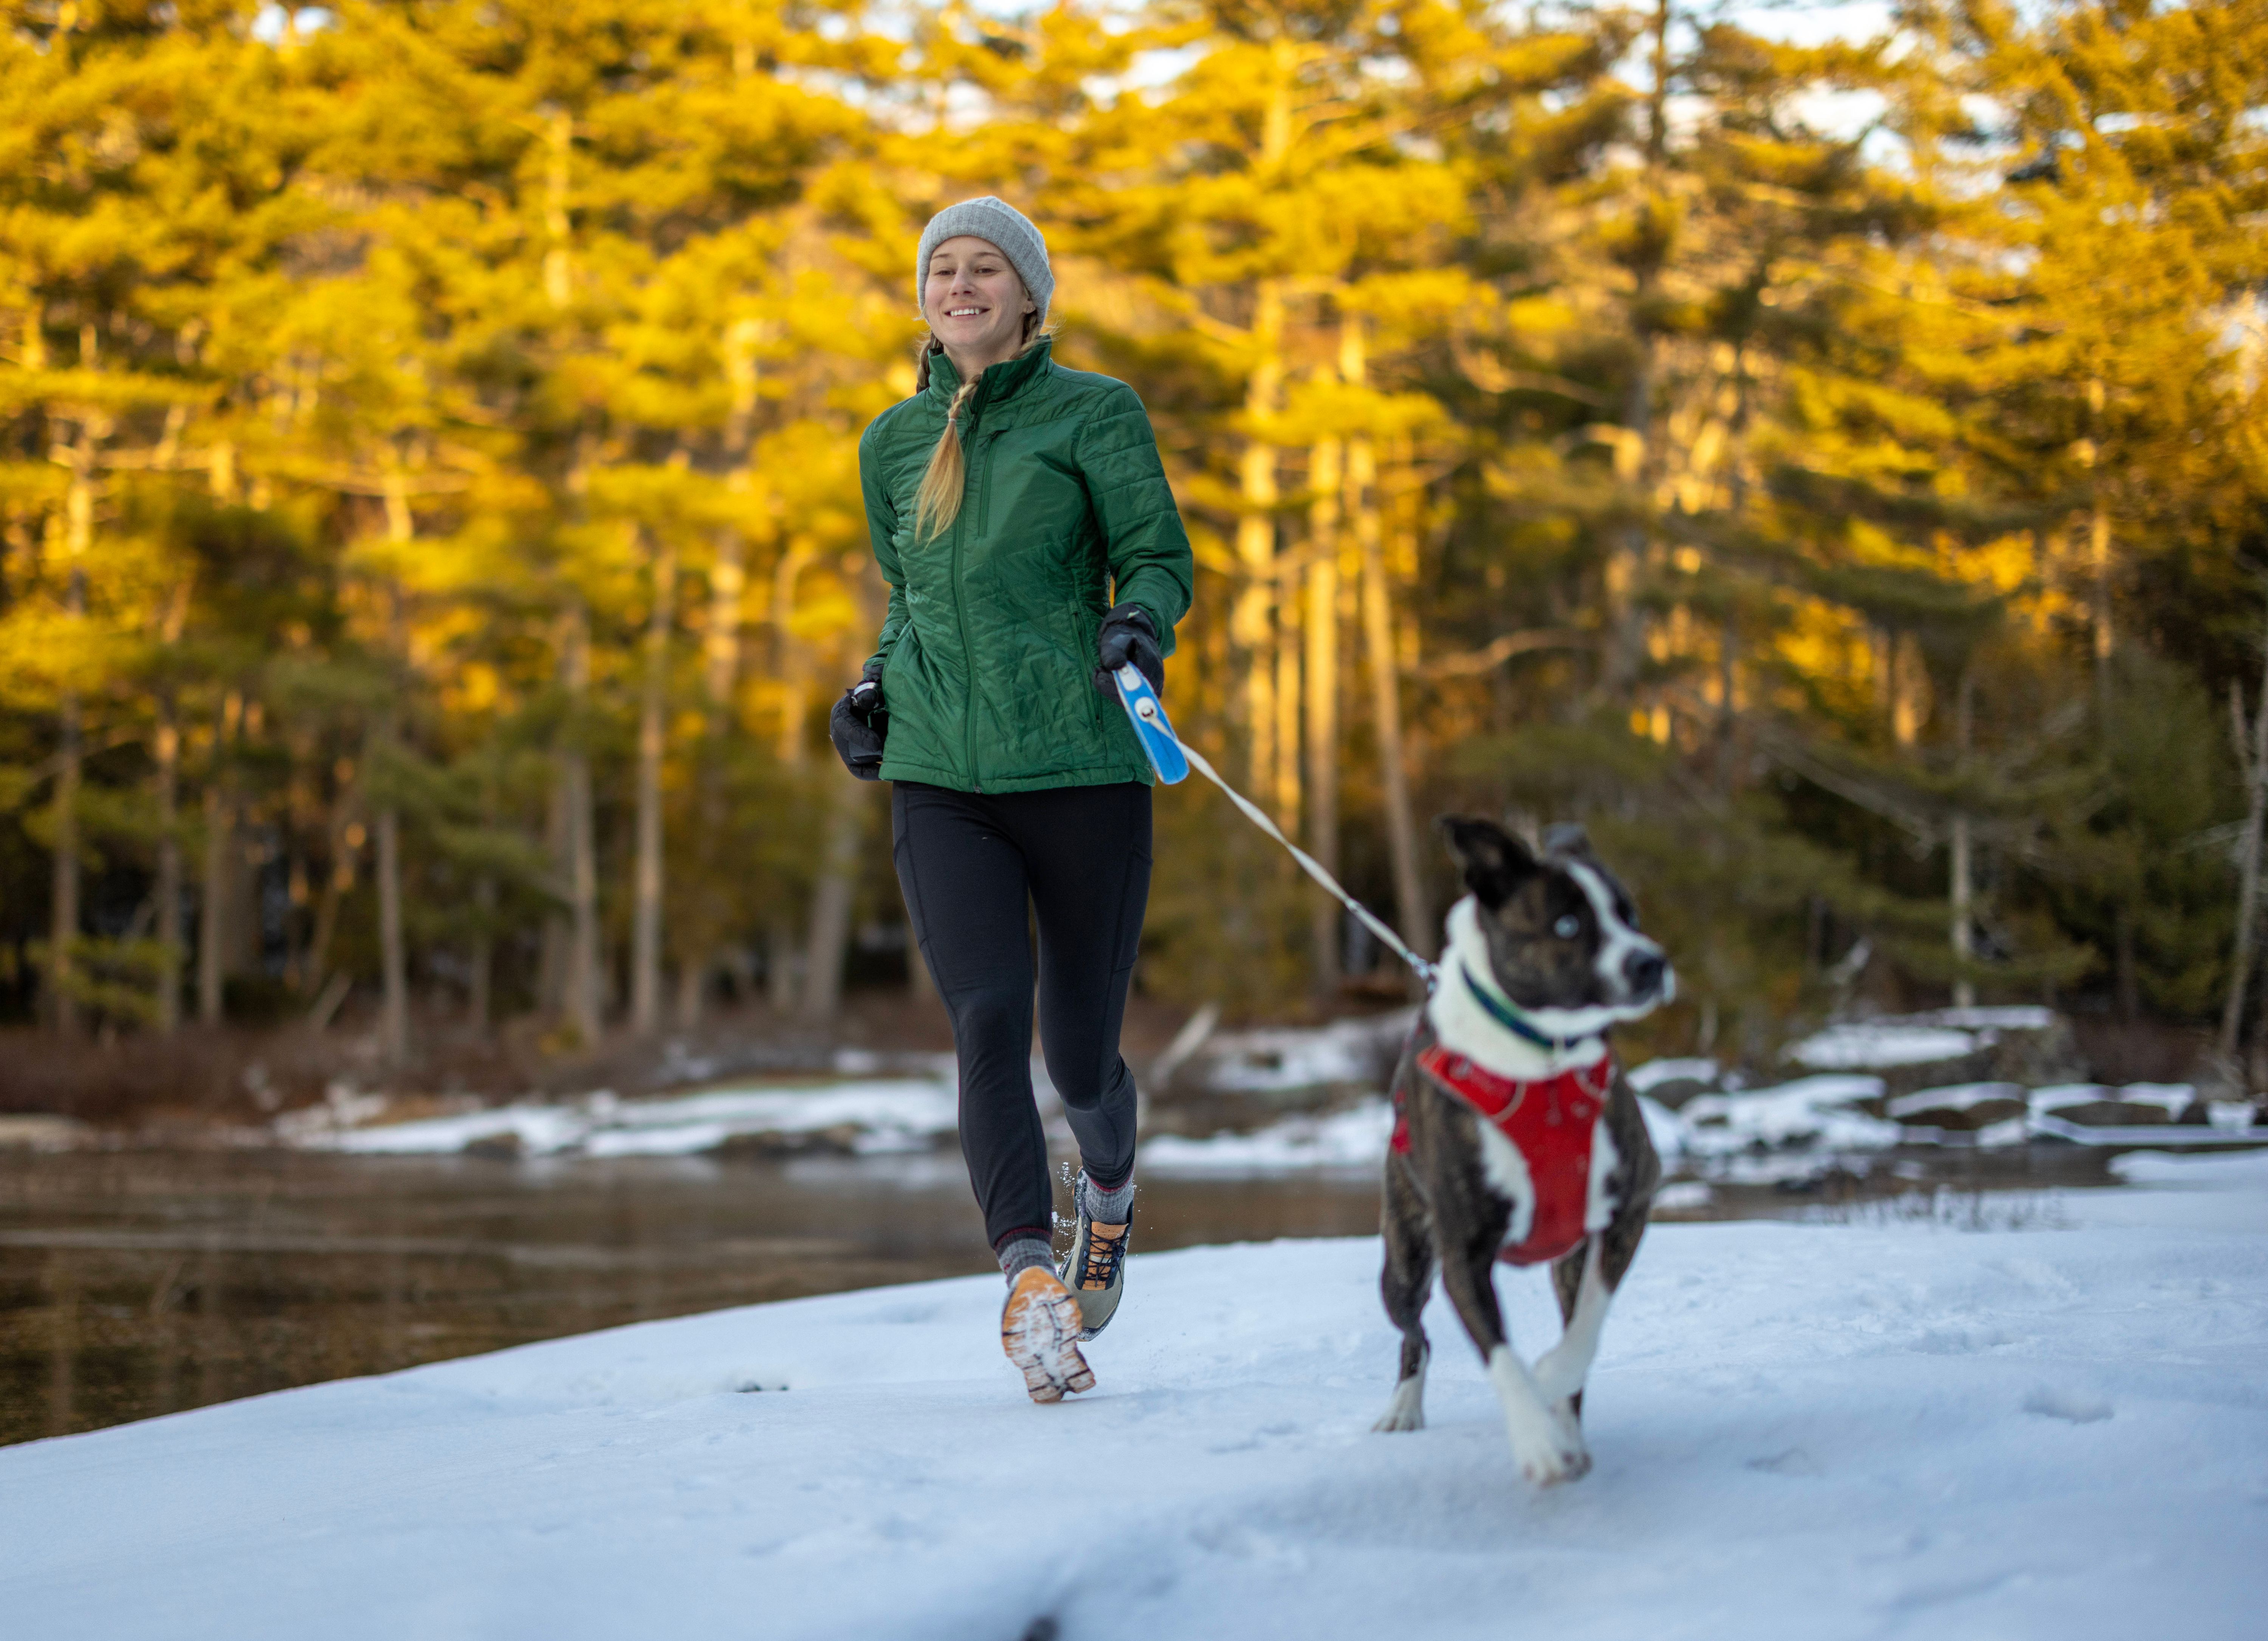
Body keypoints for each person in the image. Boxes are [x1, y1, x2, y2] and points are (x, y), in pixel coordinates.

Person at [829, 198, 1193, 1404]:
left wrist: (1138, 620)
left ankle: (1110, 1192)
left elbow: (1153, 554)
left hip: (1082, 764)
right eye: (943, 267)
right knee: (987, 1014)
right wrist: (876, 684)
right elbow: (912, 595)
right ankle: (1031, 1279)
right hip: (943, 776)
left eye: (986, 267)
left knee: (1080, 1061)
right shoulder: (891, 439)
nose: (962, 283)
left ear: (1029, 295)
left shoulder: (1096, 414)